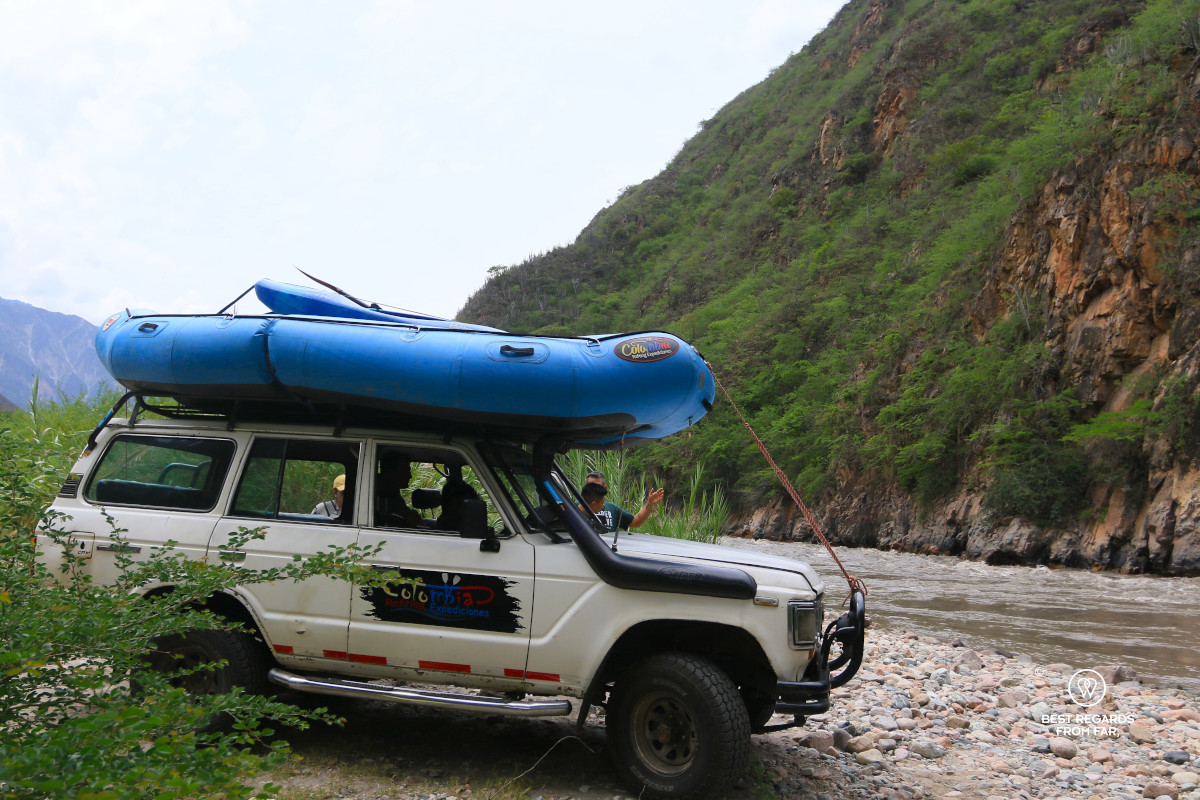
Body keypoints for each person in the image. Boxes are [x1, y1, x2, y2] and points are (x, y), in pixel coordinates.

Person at [582, 470, 664, 532]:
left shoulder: (612, 509)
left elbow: (636, 521)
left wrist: (650, 503)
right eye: (590, 486)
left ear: (605, 488)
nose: (594, 490)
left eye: (598, 487)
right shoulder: (574, 507)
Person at [375, 452, 425, 528]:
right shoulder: (379, 495)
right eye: (405, 471)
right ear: (390, 472)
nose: (410, 476)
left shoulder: (393, 494)